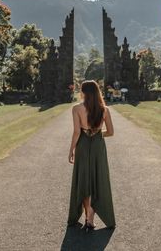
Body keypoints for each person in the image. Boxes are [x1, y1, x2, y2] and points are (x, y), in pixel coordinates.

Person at [67, 80, 116, 232]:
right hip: (98, 146)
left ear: (83, 92)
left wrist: (71, 150)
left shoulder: (76, 108)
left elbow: (76, 132)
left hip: (82, 144)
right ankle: (91, 217)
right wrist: (97, 133)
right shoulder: (104, 109)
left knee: (83, 179)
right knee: (97, 178)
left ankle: (87, 213)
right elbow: (110, 132)